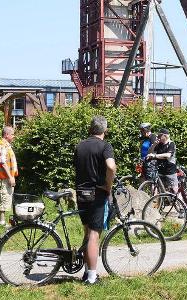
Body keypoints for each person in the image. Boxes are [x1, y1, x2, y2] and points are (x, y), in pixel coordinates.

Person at [74, 116, 116, 285]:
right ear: (105, 131)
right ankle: (92, 277)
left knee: (87, 232)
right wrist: (108, 185)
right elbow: (111, 166)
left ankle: (85, 271)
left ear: (91, 129)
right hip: (96, 194)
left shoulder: (80, 145)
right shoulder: (105, 146)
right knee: (94, 235)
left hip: (80, 193)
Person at [0, 126, 18, 226]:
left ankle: (2, 220)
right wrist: (10, 177)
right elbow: (2, 162)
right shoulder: (2, 145)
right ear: (6, 135)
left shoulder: (6, 145)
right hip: (4, 177)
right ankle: (2, 221)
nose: (13, 136)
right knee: (3, 196)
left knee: (6, 196)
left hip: (6, 176)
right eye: (12, 134)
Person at [146, 128, 178, 194]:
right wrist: (154, 145)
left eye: (160, 136)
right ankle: (161, 203)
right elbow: (149, 152)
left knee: (175, 190)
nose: (158, 137)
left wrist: (155, 156)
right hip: (160, 169)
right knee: (161, 190)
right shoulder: (159, 144)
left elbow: (168, 155)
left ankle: (180, 203)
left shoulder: (171, 144)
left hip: (170, 170)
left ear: (165, 136)